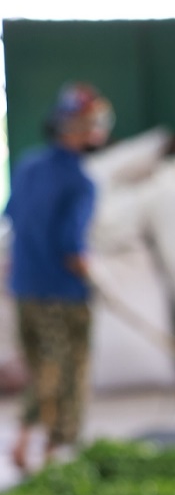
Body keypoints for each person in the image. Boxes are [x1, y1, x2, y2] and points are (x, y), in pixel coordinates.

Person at [6, 81, 114, 474]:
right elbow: (72, 244)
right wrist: (91, 271)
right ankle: (55, 456)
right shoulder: (81, 182)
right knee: (66, 373)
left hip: (25, 288)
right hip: (64, 294)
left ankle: (21, 442)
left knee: (39, 369)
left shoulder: (28, 165)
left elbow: (12, 217)